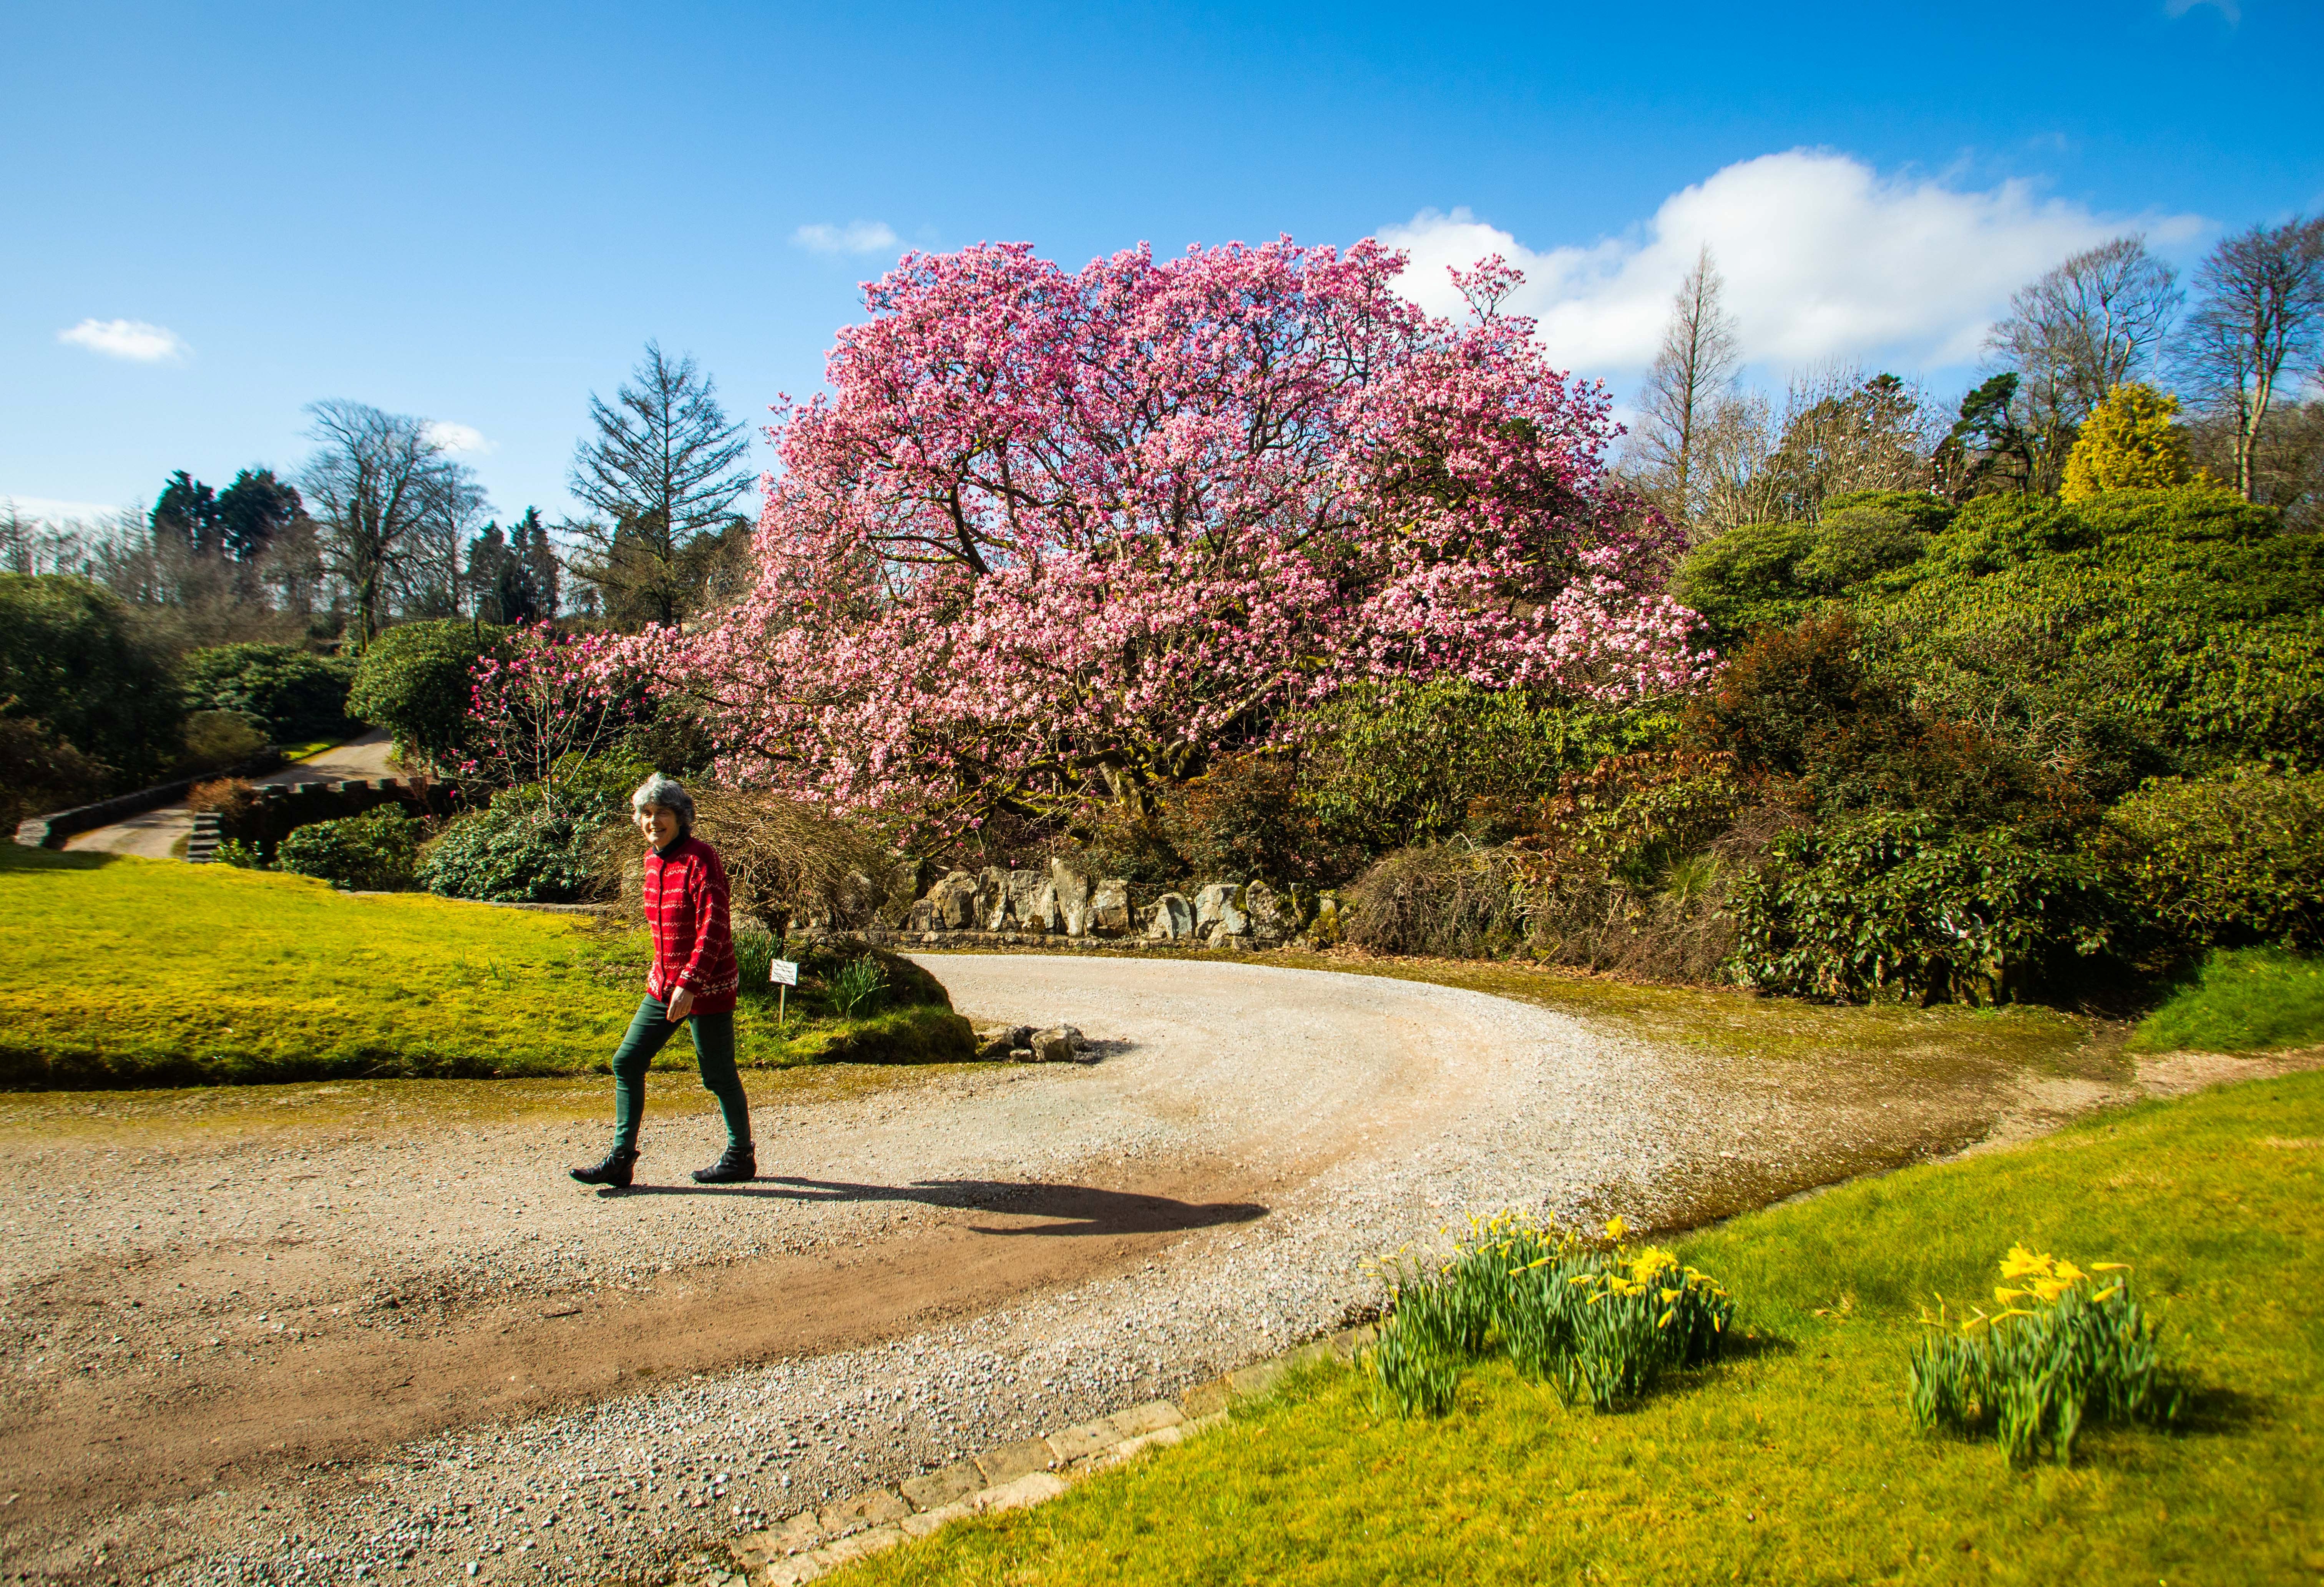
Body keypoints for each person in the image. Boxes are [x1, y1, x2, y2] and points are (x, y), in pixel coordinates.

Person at [571, 774, 755, 1188]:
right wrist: (662, 972)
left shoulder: (700, 857)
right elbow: (664, 927)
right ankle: (621, 1159)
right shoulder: (652, 860)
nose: (654, 821)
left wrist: (690, 983)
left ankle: (740, 1155)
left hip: (706, 987)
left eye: (663, 814)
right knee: (628, 1061)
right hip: (665, 987)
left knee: (718, 1074)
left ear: (681, 818)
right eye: (647, 814)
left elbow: (715, 926)